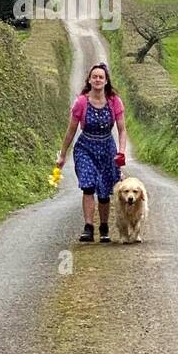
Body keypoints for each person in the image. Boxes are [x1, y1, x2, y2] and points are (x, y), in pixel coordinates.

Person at [56, 63, 127, 243]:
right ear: (89, 80)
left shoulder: (114, 101)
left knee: (104, 191)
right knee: (88, 186)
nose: (97, 80)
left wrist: (121, 152)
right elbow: (71, 130)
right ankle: (88, 227)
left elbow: (122, 130)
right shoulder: (81, 102)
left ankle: (104, 227)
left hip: (107, 149)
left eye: (101, 77)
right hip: (85, 147)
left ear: (106, 81)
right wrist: (63, 154)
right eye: (94, 77)